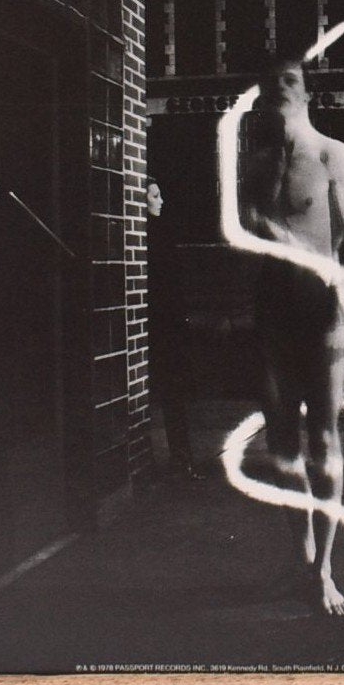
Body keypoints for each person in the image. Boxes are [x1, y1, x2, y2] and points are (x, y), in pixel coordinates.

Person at [239, 56, 344, 616]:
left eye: (290, 81)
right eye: (270, 84)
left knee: (323, 437)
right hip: (272, 315)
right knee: (281, 444)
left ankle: (324, 570)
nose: (279, 91)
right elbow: (245, 238)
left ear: (309, 93)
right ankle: (303, 556)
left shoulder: (334, 156)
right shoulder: (255, 164)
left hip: (321, 314)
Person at [146, 175, 198, 477]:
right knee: (171, 392)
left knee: (172, 393)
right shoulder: (153, 239)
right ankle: (180, 460)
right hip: (163, 325)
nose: (161, 201)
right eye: (154, 196)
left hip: (166, 325)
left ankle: (181, 459)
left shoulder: (159, 235)